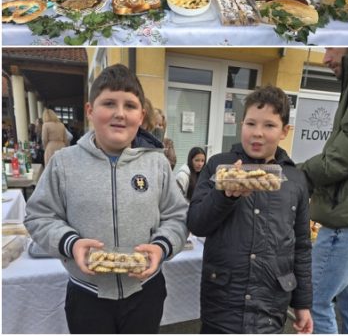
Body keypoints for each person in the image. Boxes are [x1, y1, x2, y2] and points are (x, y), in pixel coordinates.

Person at [24, 65, 187, 334]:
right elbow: (39, 216)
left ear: (141, 115)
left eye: (130, 106)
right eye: (109, 103)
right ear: (90, 111)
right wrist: (70, 243)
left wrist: (160, 247)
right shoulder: (64, 163)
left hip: (145, 292)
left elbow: (178, 216)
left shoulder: (157, 164)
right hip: (87, 295)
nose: (120, 113)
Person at [187, 86, 313, 334]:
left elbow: (301, 246)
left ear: (284, 131)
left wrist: (302, 304)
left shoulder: (295, 179)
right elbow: (196, 223)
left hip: (270, 306)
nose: (257, 133)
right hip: (222, 303)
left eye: (269, 125)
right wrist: (224, 194)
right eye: (251, 124)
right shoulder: (218, 166)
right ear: (241, 124)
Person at [298, 48, 348, 334]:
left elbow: (343, 156)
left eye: (332, 47)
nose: (325, 58)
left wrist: (301, 173)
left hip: (341, 222)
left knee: (315, 303)